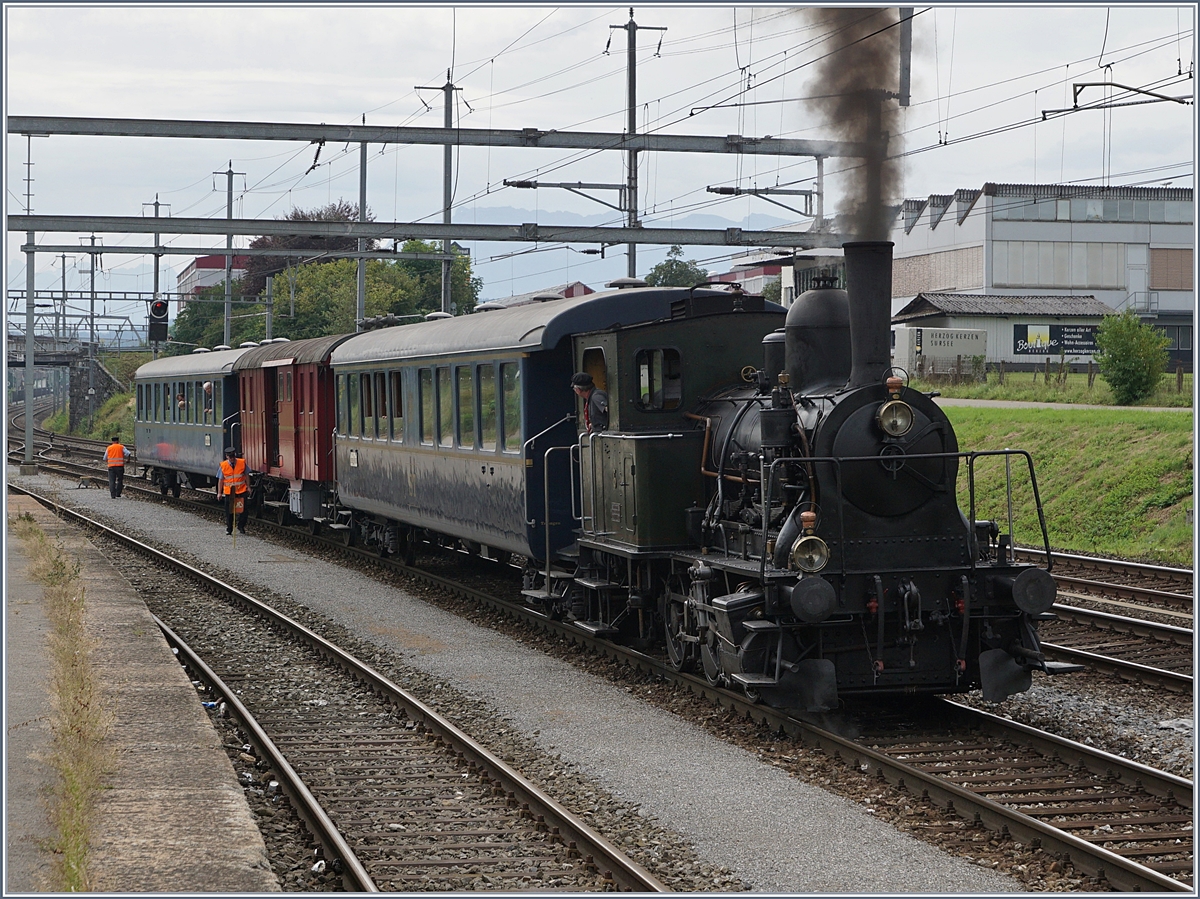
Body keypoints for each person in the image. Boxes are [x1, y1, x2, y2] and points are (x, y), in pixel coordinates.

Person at [217, 446, 249, 535]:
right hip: (229, 492)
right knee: (230, 512)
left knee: (243, 511)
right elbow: (220, 480)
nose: (232, 458)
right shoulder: (223, 465)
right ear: (227, 456)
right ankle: (229, 529)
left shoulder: (242, 463)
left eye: (233, 456)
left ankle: (241, 526)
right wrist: (219, 493)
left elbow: (246, 475)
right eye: (230, 457)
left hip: (241, 490)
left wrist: (248, 487)